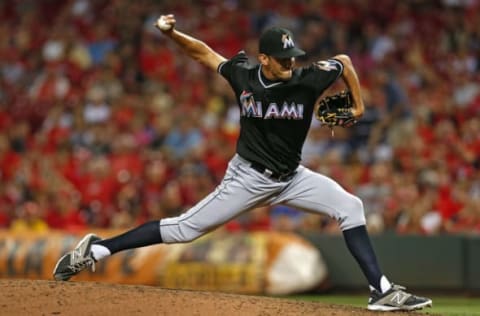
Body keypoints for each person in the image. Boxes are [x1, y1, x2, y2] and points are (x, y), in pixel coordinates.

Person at [53, 14, 432, 312]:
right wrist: (172, 34)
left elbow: (345, 62)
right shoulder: (244, 75)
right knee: (184, 230)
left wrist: (359, 104)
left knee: (350, 206)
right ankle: (97, 250)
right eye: (282, 59)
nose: (290, 63)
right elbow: (203, 53)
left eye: (292, 56)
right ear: (264, 58)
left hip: (292, 177)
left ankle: (380, 291)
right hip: (248, 177)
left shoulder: (307, 79)